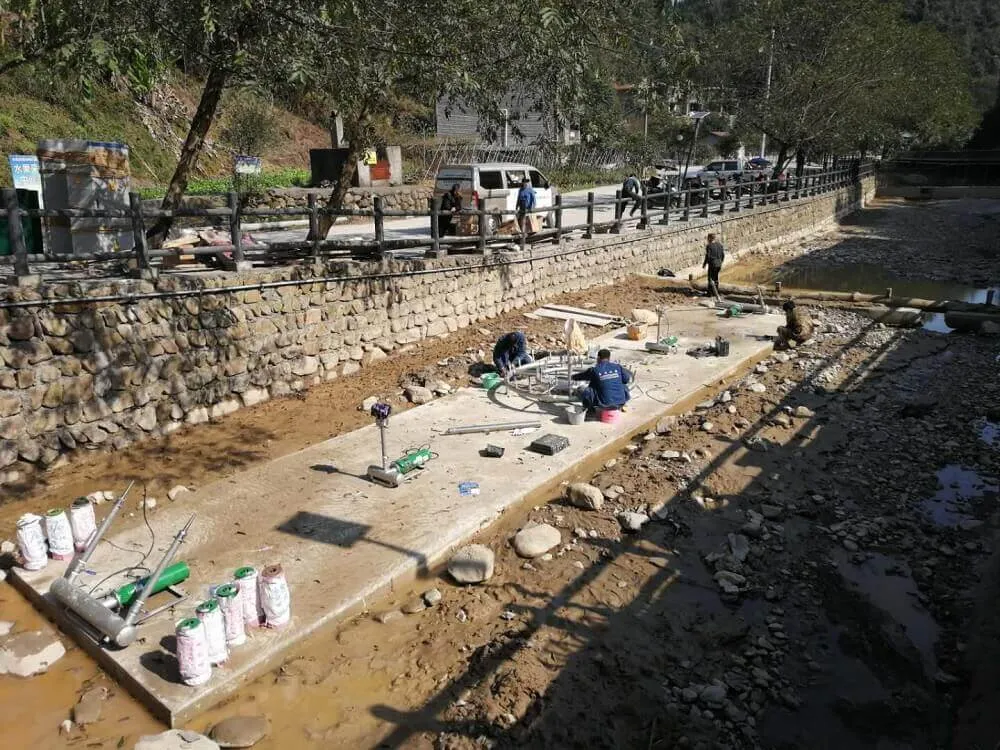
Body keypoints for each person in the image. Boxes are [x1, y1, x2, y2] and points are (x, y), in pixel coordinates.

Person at [572, 348, 632, 413]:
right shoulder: (617, 367)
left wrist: (572, 377)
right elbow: (626, 379)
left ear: (598, 358)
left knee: (582, 389)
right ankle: (621, 404)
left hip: (603, 404)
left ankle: (590, 410)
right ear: (609, 358)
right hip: (620, 402)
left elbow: (580, 376)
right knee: (623, 385)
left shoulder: (594, 370)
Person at [703, 233, 725, 297]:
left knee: (710, 278)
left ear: (710, 238)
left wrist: (705, 264)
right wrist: (721, 262)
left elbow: (708, 256)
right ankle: (716, 292)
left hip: (713, 264)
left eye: (707, 238)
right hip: (719, 264)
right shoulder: (720, 245)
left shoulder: (709, 246)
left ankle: (709, 293)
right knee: (716, 278)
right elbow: (723, 255)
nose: (707, 240)